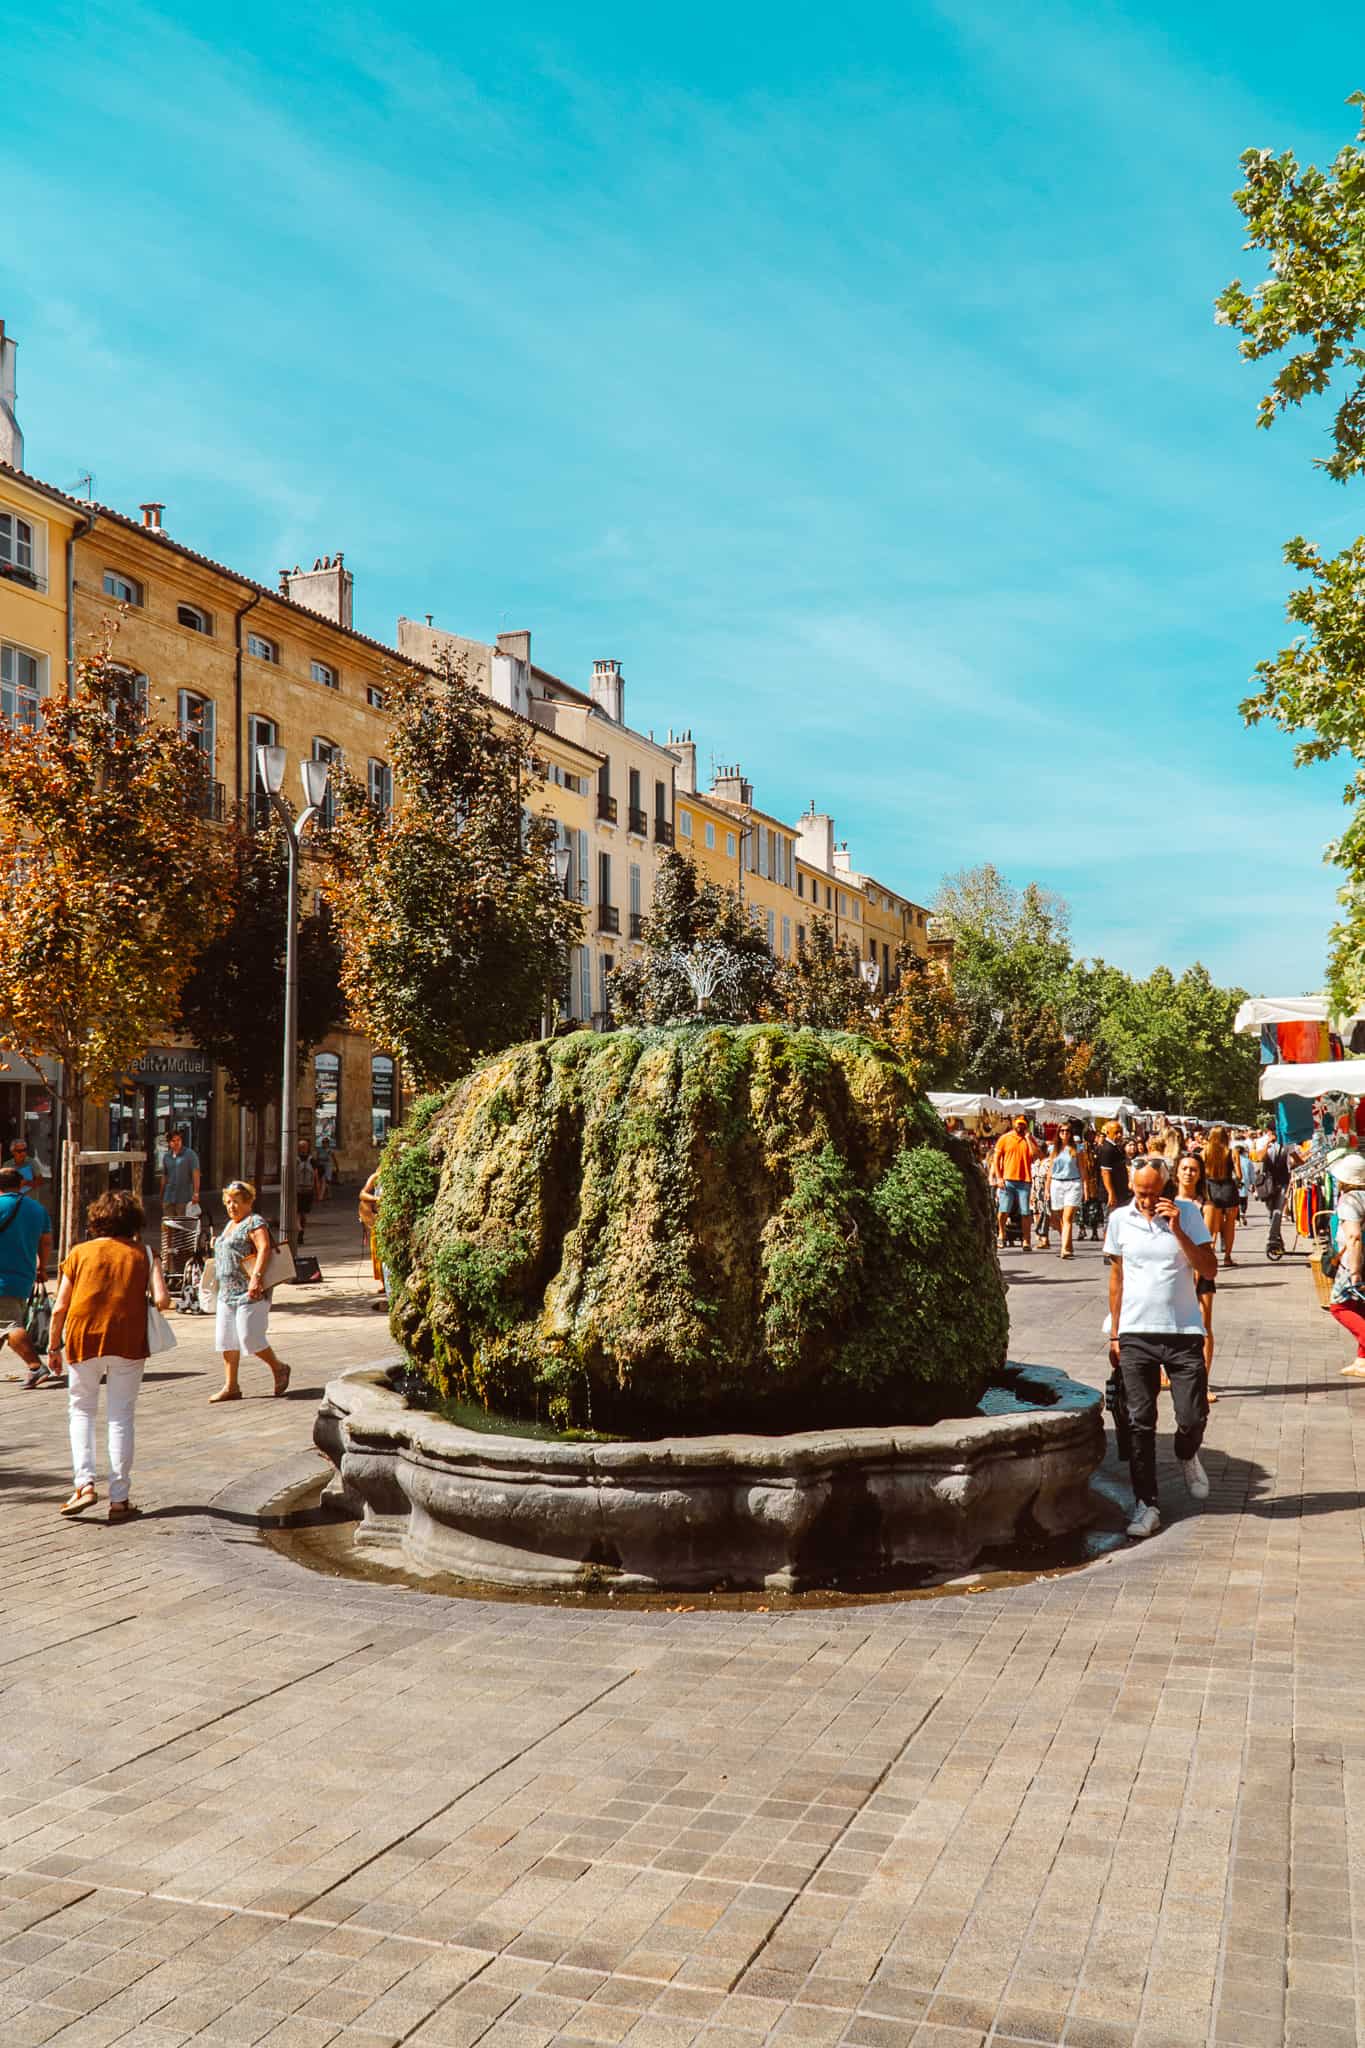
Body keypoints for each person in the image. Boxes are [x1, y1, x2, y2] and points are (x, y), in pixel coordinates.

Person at [1105, 1154, 1218, 1539]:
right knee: (1139, 1421)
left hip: (1183, 1331)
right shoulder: (1120, 1218)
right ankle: (1146, 1503)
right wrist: (1115, 1333)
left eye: (1153, 1192)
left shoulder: (1187, 1212)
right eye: (1140, 1192)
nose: (1146, 1200)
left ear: (1167, 1187)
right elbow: (1117, 1276)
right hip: (1136, 1332)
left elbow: (1210, 1269)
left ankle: (1187, 1453)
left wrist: (1178, 1231)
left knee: (1191, 1415)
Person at [46, 1189, 172, 1520]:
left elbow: (60, 1306)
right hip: (127, 1339)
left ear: (97, 1219)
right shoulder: (144, 1252)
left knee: (81, 1411)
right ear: (134, 1220)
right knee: (120, 1416)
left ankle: (84, 1485)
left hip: (81, 1338)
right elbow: (163, 1300)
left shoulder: (78, 1252)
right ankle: (119, 1499)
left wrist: (52, 1346)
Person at [210, 1180, 290, 1401]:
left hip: (250, 1292)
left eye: (236, 1201)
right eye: (228, 1202)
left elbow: (264, 1248)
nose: (231, 1206)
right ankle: (231, 1386)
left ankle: (279, 1367)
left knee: (249, 1337)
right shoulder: (229, 1225)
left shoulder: (254, 1221)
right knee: (227, 1341)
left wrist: (256, 1278)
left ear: (247, 1202)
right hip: (226, 1292)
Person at [0, 1163, 54, 1389]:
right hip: (24, 1274)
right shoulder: (37, 1209)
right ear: (21, 1185)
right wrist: (42, 1268)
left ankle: (35, 1366)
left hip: (2, 1278)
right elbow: (46, 1241)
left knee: (9, 1324)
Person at [1175, 1152, 1217, 1399]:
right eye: (1185, 1168)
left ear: (1200, 1174)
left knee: (1203, 1324)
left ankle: (1204, 1381)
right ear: (1177, 1172)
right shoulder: (1168, 1200)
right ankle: (1167, 1371)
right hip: (1174, 1269)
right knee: (1172, 1321)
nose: (1189, 1173)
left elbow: (1206, 1242)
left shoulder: (1206, 1205)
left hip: (1200, 1271)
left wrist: (1198, 1271)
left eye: (1193, 1169)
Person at [1327, 1152, 1365, 1377]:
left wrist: (1354, 1272)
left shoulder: (1350, 1201)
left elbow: (1354, 1237)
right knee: (1360, 1308)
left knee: (1338, 1306)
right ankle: (1362, 1361)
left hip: (1354, 1263)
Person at [991, 1116, 1037, 1251]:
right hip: (1008, 1179)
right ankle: (1001, 1234)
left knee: (1025, 1212)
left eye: (1023, 1125)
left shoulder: (1029, 1139)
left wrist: (1028, 1138)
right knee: (1003, 1210)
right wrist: (998, 1178)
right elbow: (996, 1158)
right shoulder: (1005, 1139)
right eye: (1018, 1124)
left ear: (1027, 1126)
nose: (1020, 1127)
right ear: (1014, 1125)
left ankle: (1026, 1239)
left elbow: (1035, 1155)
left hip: (1024, 1180)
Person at [1202, 1125, 1241, 1269]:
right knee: (1230, 1225)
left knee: (1213, 1226)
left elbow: (1202, 1173)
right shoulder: (1232, 1152)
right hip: (1228, 1189)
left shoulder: (1204, 1153)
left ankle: (1211, 1254)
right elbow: (1238, 1175)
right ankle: (1227, 1257)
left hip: (1212, 1189)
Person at [1046, 1131, 1083, 1259]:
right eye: (1062, 1131)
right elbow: (1050, 1169)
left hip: (1073, 1183)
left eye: (1067, 1131)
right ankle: (1068, 1245)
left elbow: (1082, 1168)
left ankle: (1064, 1249)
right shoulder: (1053, 1149)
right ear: (1058, 1133)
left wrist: (1086, 1187)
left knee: (1067, 1218)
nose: (1065, 1133)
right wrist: (1046, 1189)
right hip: (1057, 1184)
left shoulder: (1077, 1149)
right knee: (1060, 1216)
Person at [159, 1129, 201, 1218]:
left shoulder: (190, 1154)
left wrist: (196, 1193)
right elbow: (164, 1176)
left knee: (182, 1226)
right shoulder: (167, 1156)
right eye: (173, 1141)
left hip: (183, 1197)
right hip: (169, 1197)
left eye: (178, 1140)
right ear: (169, 1143)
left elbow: (196, 1174)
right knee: (168, 1226)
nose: (176, 1143)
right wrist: (161, 1194)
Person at [1097, 1120, 1131, 1214]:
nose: (1119, 1135)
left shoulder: (1114, 1147)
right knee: (1110, 1223)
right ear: (1108, 1133)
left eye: (1121, 1132)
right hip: (1112, 1194)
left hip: (1120, 1192)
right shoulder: (1107, 1149)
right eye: (1116, 1132)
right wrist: (1111, 1193)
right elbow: (1105, 1172)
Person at [295, 1138, 322, 1245]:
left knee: (300, 1213)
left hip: (304, 1190)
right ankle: (300, 1229)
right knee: (300, 1212)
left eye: (303, 1147)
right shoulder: (309, 1160)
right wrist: (318, 1191)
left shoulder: (306, 1160)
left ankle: (300, 1229)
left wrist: (318, 1190)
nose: (302, 1149)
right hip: (303, 1190)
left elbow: (316, 1177)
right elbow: (316, 1177)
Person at [1030, 1142, 1052, 1250]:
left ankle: (1045, 1238)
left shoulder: (1049, 1163)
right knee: (1037, 1215)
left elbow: (1050, 1178)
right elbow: (1033, 1181)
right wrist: (1031, 1194)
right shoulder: (1035, 1164)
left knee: (1046, 1215)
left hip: (1045, 1193)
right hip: (1036, 1193)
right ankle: (1041, 1238)